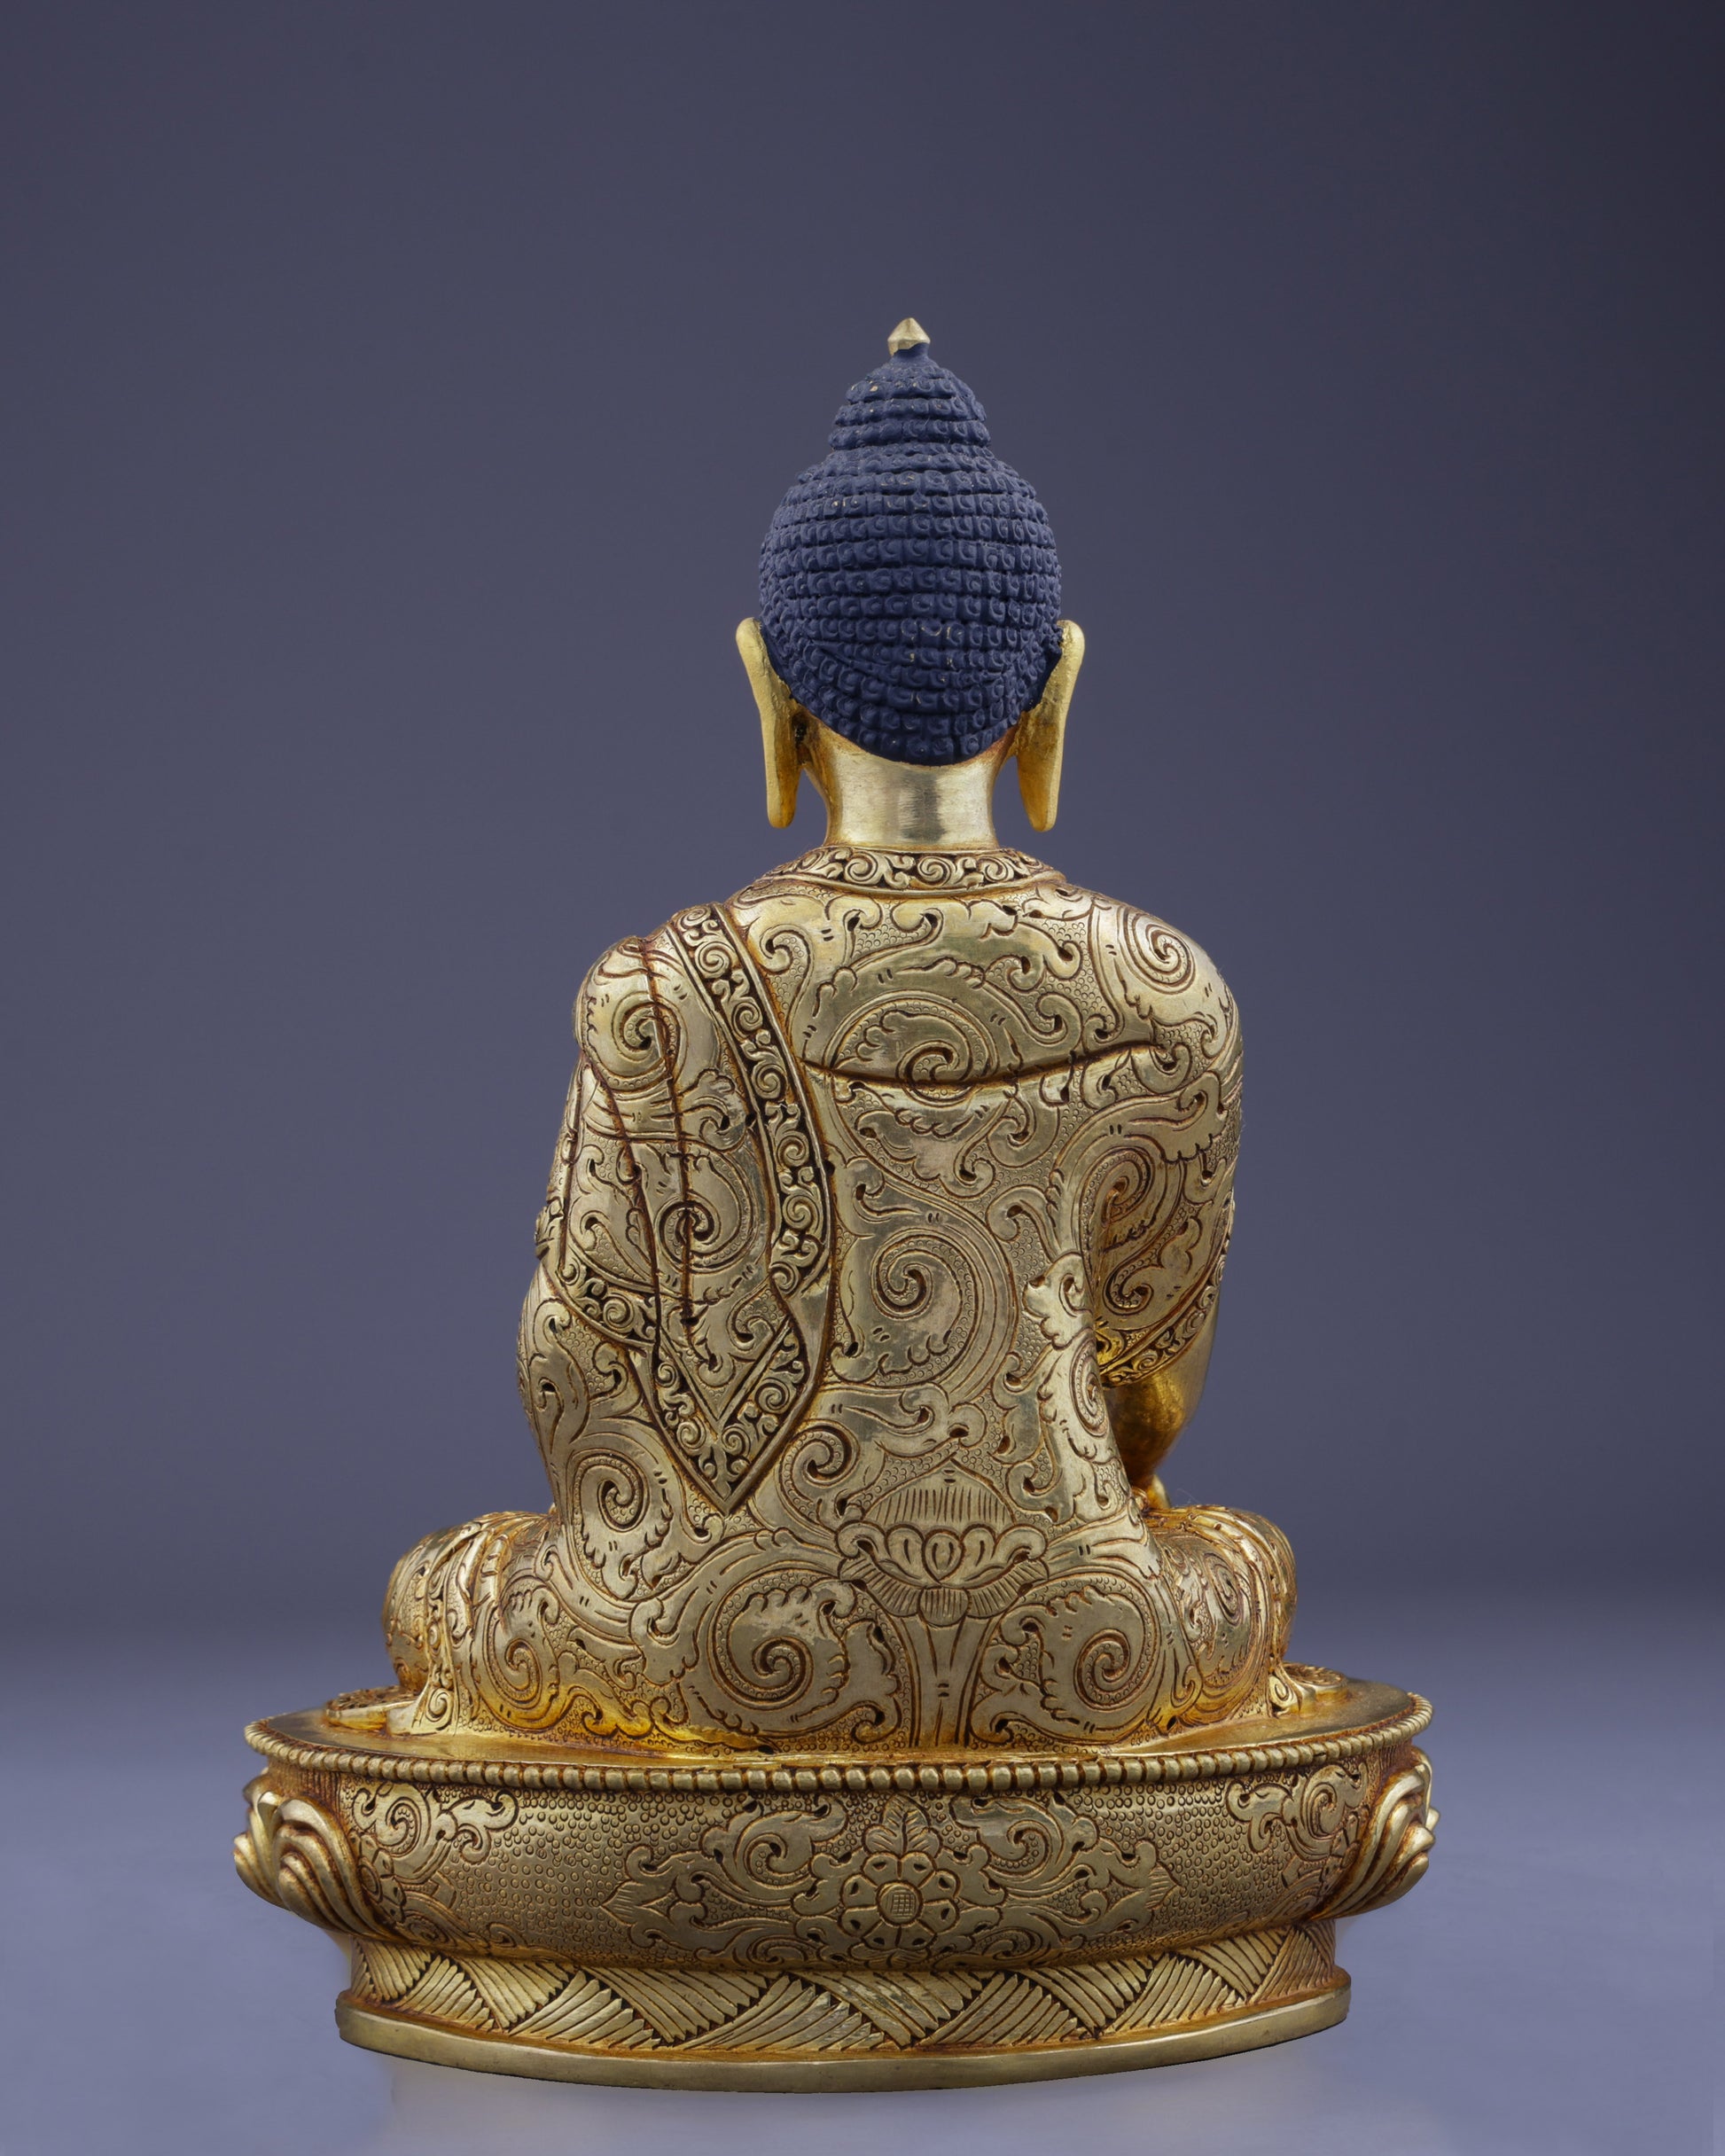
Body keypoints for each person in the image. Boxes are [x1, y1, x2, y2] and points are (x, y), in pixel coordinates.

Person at [380, 324, 1298, 1754]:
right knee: (1241, 1563)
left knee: (443, 1590)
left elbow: (573, 1383)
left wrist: (659, 1547)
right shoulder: (1166, 992)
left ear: (769, 689)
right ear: (1053, 690)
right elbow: (1148, 1383)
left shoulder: (659, 989)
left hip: (701, 1645)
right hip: (1089, 1645)